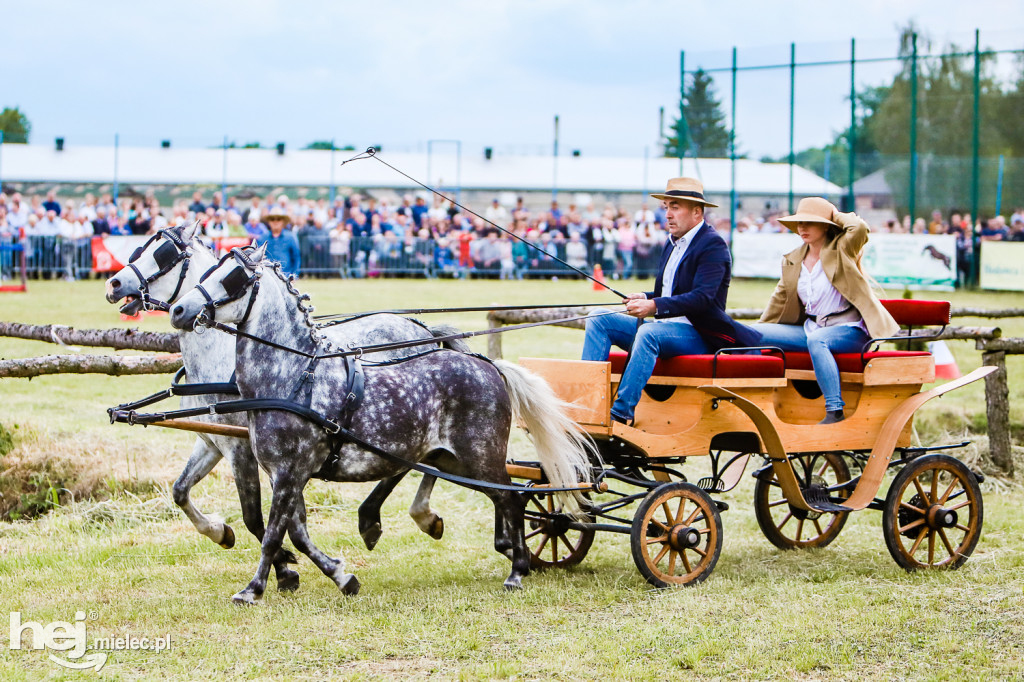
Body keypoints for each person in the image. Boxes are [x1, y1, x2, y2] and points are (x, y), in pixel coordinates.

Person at [581, 177, 760, 425]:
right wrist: (645, 297)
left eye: (675, 207)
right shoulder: (672, 242)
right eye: (666, 207)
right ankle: (587, 406)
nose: (667, 214)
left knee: (649, 333)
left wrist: (654, 306)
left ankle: (621, 414)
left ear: (697, 212)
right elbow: (670, 291)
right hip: (665, 329)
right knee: (597, 318)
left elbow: (703, 298)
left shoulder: (713, 245)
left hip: (698, 333)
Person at [751, 197, 899, 425]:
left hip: (850, 330)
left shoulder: (842, 249)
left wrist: (833, 214)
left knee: (818, 341)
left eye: (810, 222)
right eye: (799, 223)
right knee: (750, 334)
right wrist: (761, 330)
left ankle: (834, 411)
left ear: (826, 225)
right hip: (813, 328)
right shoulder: (793, 260)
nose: (802, 228)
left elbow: (859, 227)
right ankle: (755, 402)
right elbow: (777, 302)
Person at [256, 209, 301, 277]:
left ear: (283, 222)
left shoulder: (291, 237)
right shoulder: (262, 238)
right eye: (272, 219)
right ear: (269, 222)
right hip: (267, 277)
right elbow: (257, 258)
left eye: (278, 219)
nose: (275, 222)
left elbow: (296, 257)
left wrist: (294, 275)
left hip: (286, 277)